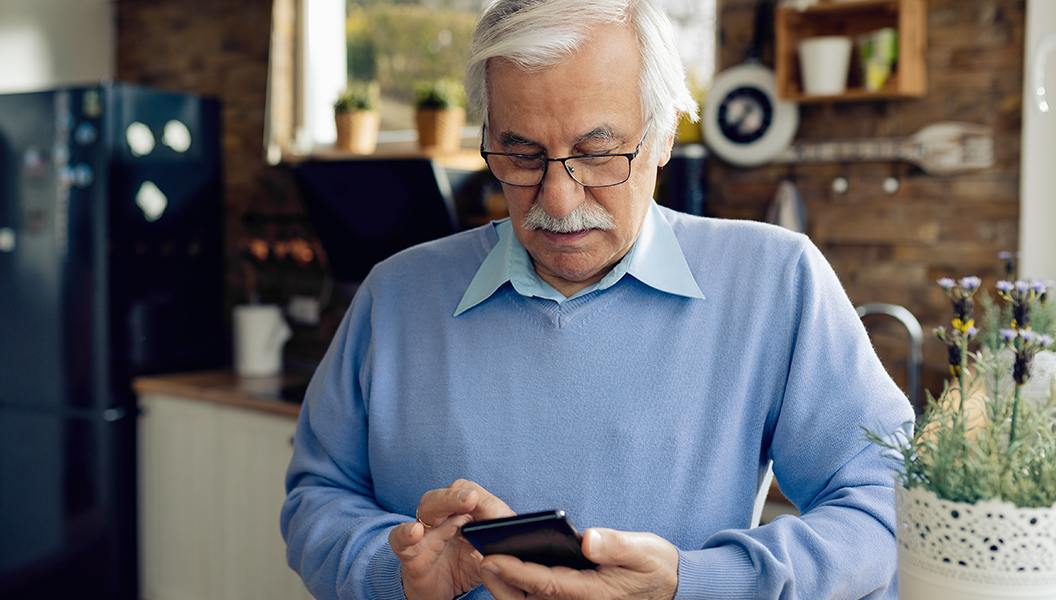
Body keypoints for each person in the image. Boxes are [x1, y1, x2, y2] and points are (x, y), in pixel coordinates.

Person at [281, 0, 914, 598]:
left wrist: (691, 584)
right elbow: (318, 494)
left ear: (663, 135)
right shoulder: (394, 294)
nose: (558, 200)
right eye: (522, 155)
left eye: (598, 152)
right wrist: (395, 573)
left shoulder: (778, 282)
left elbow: (887, 508)